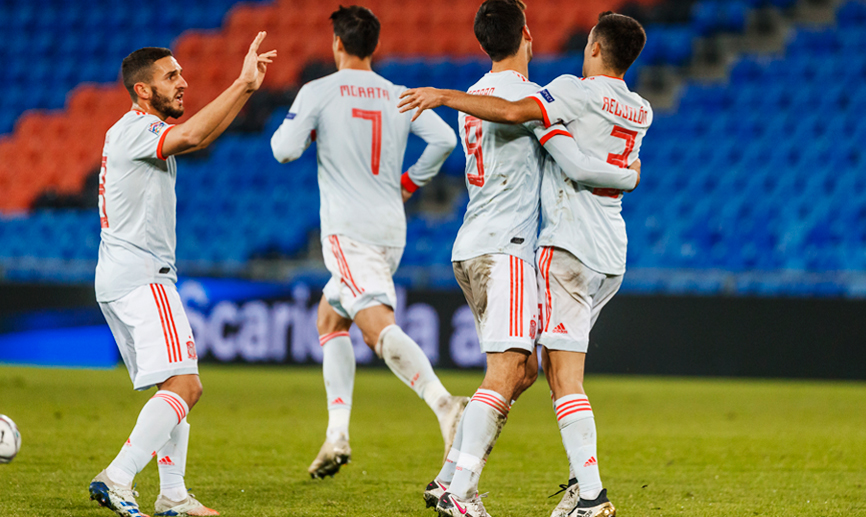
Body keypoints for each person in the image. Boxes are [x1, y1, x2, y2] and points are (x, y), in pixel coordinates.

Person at [400, 11, 651, 517]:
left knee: (525, 370)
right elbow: (535, 126)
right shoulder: (633, 108)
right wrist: (627, 177)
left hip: (477, 248)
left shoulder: (483, 97)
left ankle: (452, 477)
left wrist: (447, 96)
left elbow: (514, 116)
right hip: (527, 250)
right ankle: (468, 489)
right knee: (519, 369)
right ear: (528, 37)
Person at [270, 5, 465, 480]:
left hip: (348, 229)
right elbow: (443, 139)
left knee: (376, 325)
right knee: (330, 316)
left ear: (337, 43)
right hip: (390, 225)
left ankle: (446, 407)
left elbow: (283, 149)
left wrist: (311, 127)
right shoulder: (396, 93)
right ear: (373, 46)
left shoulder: (320, 90)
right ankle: (336, 434)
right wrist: (410, 182)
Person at [89, 33, 276, 517]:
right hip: (142, 277)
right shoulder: (135, 130)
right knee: (187, 388)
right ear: (142, 91)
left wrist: (246, 91)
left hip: (123, 275)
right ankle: (117, 476)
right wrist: (243, 84)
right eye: (171, 76)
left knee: (172, 387)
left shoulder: (135, 133)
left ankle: (172, 494)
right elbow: (192, 135)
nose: (183, 82)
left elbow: (201, 136)